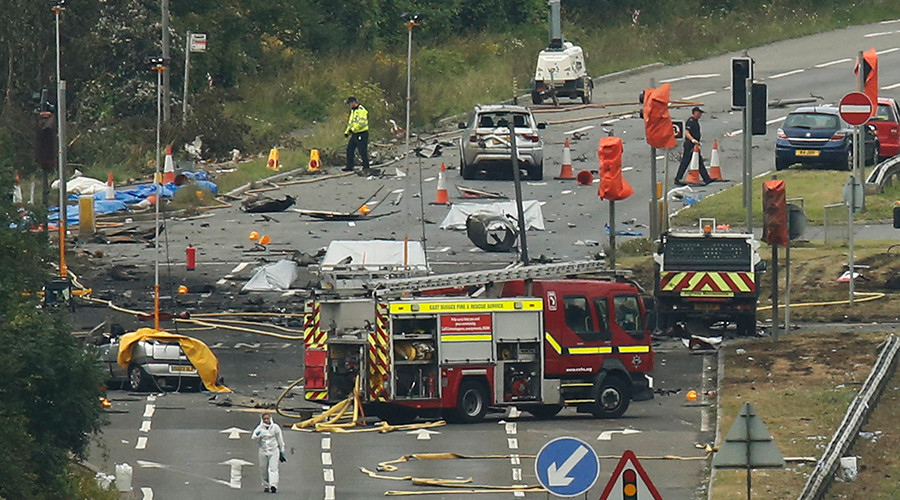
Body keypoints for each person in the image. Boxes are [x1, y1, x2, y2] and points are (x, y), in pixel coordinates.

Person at [674, 106, 712, 185]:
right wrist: (692, 140)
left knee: (699, 161)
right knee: (685, 162)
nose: (700, 115)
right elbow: (686, 132)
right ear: (695, 113)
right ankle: (677, 178)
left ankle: (707, 178)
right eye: (699, 113)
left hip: (694, 145)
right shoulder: (690, 121)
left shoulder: (695, 121)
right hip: (690, 145)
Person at [252, 412, 286, 493]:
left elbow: (280, 440)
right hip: (263, 451)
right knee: (263, 469)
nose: (266, 421)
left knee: (273, 468)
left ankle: (273, 485)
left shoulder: (275, 428)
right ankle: (266, 485)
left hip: (274, 450)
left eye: (267, 419)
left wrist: (282, 451)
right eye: (264, 419)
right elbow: (254, 437)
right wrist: (258, 434)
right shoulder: (260, 428)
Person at [343, 96, 370, 173]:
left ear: (354, 102)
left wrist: (354, 129)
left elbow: (362, 123)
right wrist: (347, 132)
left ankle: (366, 167)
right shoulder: (353, 111)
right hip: (355, 134)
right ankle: (349, 166)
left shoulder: (361, 111)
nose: (349, 105)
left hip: (362, 133)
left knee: (362, 151)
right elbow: (350, 123)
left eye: (350, 104)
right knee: (349, 149)